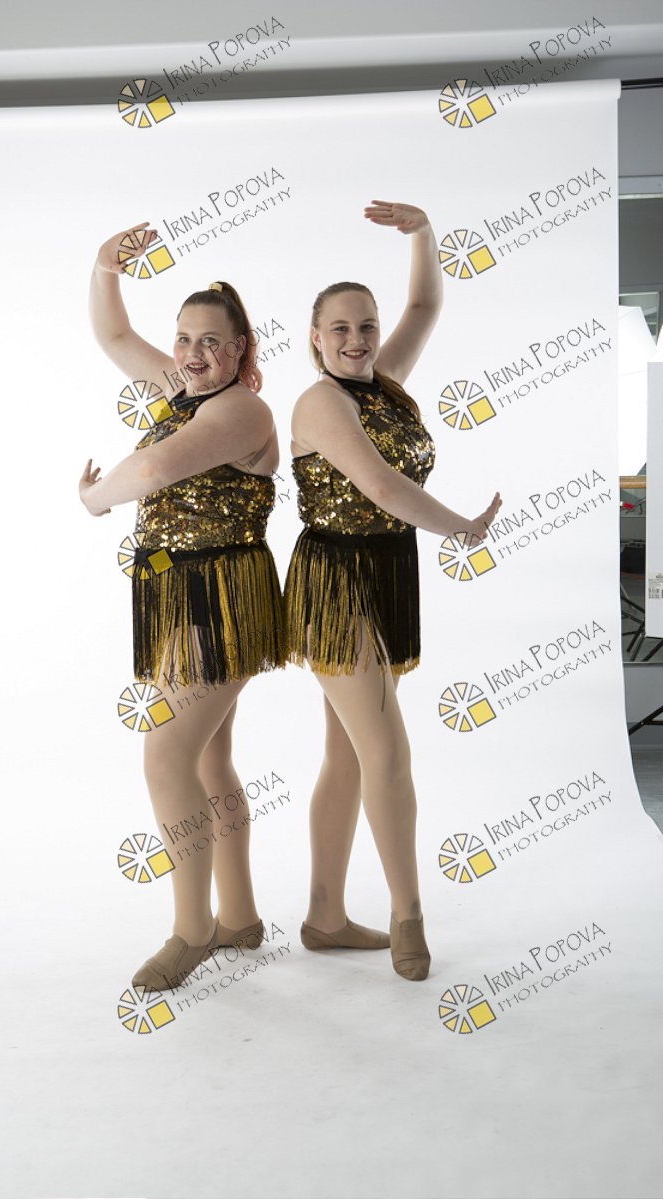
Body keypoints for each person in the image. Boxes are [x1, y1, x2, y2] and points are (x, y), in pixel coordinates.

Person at [283, 200, 502, 981]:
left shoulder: (384, 383)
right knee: (387, 751)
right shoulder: (321, 402)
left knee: (347, 754)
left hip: (387, 572)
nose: (357, 338)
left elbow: (426, 305)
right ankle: (409, 913)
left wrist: (423, 235)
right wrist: (461, 526)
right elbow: (379, 485)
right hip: (335, 581)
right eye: (340, 328)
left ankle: (324, 916)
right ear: (315, 337)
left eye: (367, 326)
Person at [79, 222, 287, 991]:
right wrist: (105, 266)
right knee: (208, 758)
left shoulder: (240, 412)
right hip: (182, 593)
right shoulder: (184, 388)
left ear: (240, 349)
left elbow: (152, 469)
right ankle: (239, 916)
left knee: (166, 757)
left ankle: (192, 931)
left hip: (222, 598)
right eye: (183, 339)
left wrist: (93, 498)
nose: (193, 354)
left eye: (210, 342)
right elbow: (113, 335)